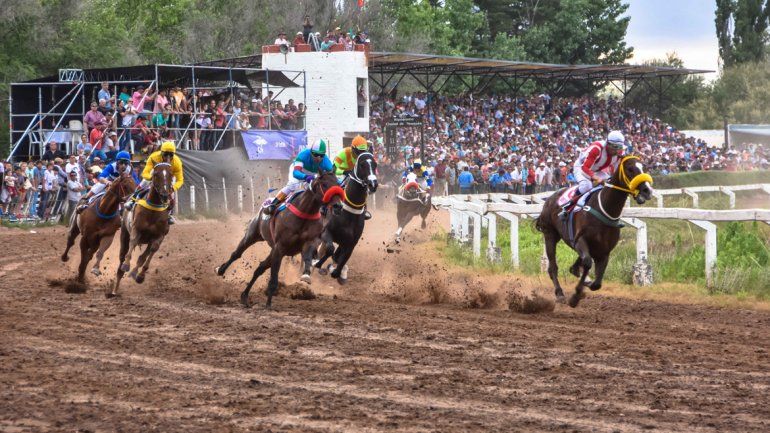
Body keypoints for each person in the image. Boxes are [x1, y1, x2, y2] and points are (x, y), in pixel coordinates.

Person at [559, 130, 626, 218]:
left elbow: (616, 171)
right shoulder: (597, 148)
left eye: (619, 147)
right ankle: (567, 207)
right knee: (586, 186)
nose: (617, 151)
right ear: (608, 144)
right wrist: (596, 179)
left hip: (596, 170)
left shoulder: (620, 152)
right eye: (615, 147)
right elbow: (585, 168)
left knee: (610, 184)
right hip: (581, 167)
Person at [265, 139, 333, 215]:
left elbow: (331, 178)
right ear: (310, 152)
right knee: (293, 185)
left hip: (312, 174)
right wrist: (305, 176)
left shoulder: (327, 163)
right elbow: (296, 173)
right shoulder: (303, 154)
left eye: (321, 155)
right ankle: (273, 205)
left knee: (316, 189)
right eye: (316, 154)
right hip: (298, 170)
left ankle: (321, 208)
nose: (318, 158)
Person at [126, 141, 184, 224]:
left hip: (168, 177)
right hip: (155, 174)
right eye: (166, 154)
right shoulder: (154, 157)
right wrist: (151, 178)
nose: (168, 157)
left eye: (171, 155)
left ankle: (169, 214)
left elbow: (180, 180)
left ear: (174, 154)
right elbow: (145, 173)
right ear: (161, 152)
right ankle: (133, 200)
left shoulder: (177, 162)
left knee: (171, 194)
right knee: (144, 182)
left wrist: (173, 188)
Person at [333, 135, 372, 219]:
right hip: (342, 174)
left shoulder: (364, 156)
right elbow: (333, 169)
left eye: (363, 151)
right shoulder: (343, 153)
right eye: (359, 152)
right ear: (353, 148)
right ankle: (335, 205)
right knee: (337, 186)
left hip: (356, 176)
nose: (361, 154)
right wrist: (344, 171)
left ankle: (364, 209)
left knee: (364, 187)